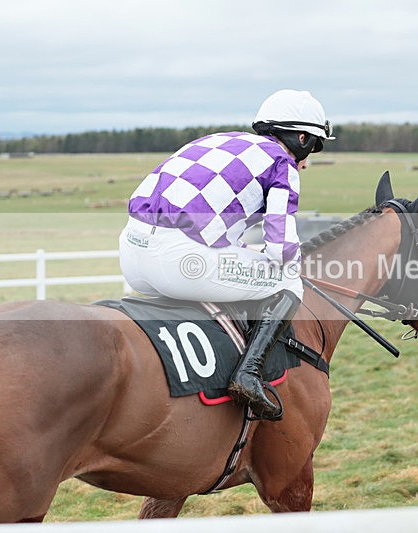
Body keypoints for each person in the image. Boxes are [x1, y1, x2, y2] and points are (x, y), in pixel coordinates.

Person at [120, 89, 334, 420]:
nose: (306, 163)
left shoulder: (221, 140)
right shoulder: (282, 164)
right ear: (302, 138)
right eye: (313, 149)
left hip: (132, 254)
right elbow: (280, 249)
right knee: (289, 281)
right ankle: (247, 375)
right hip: (177, 261)